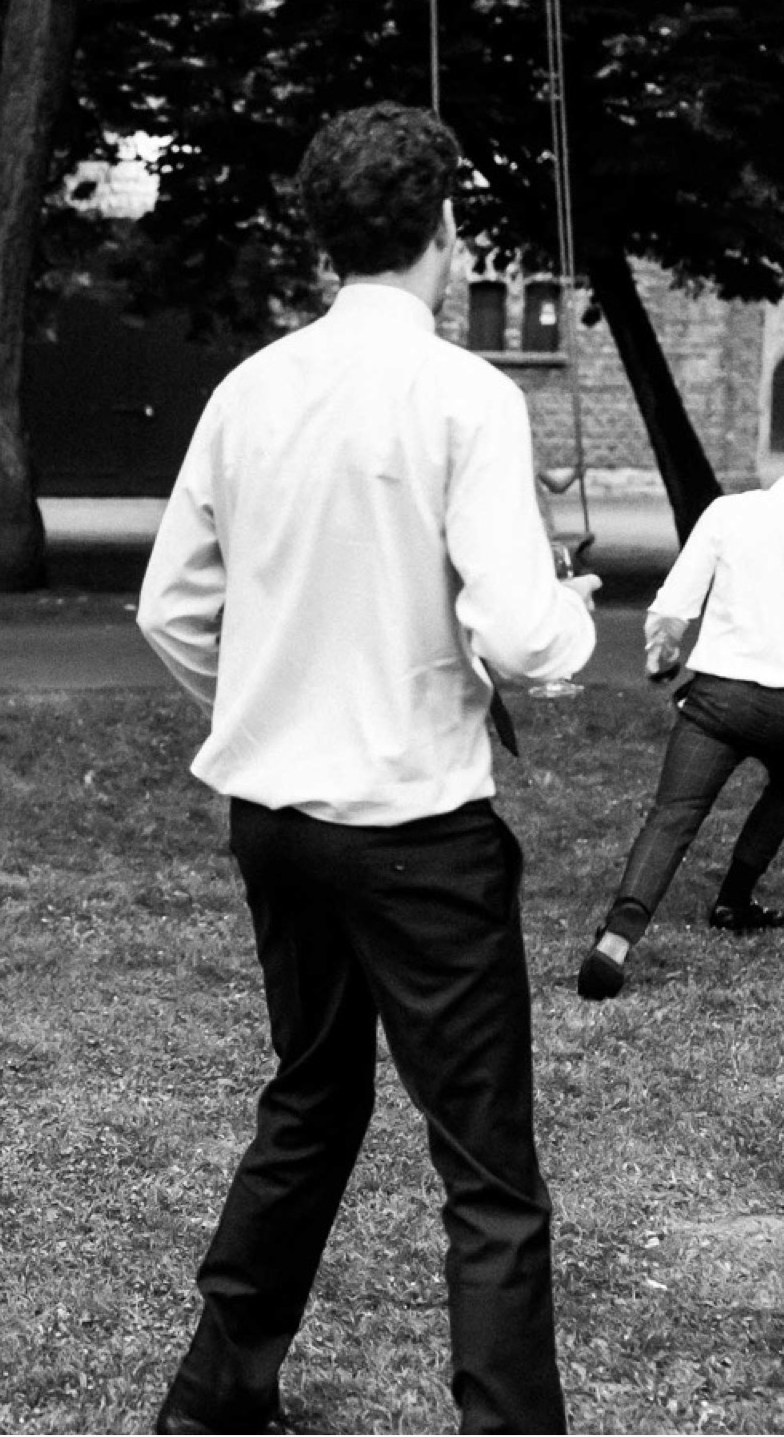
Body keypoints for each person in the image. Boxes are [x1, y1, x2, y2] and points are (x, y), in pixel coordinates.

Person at [137, 104, 597, 1434]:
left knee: (312, 1100)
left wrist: (270, 703)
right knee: (487, 1173)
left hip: (274, 816)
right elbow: (517, 631)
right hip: (414, 831)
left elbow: (172, 609)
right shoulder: (466, 392)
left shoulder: (249, 388)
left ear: (323, 235)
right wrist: (564, 617)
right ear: (446, 233)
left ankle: (216, 1395)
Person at [576, 410, 784, 1000]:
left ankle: (616, 941)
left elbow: (672, 607)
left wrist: (661, 661)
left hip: (716, 702)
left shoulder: (728, 512)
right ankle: (735, 900)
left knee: (672, 814)